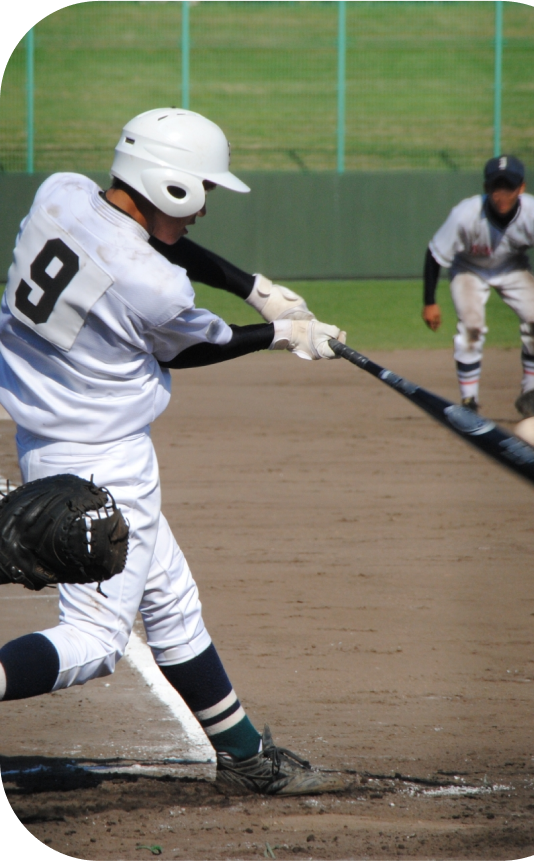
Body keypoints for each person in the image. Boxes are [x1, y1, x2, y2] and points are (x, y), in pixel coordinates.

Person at [0, 108, 347, 796]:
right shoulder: (152, 286)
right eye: (202, 191)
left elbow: (138, 236)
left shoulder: (61, 192)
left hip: (46, 438)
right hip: (102, 463)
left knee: (169, 600)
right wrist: (287, 335)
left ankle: (245, 754)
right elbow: (197, 345)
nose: (203, 209)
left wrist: (255, 289)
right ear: (171, 185)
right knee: (97, 638)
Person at [421, 155, 534, 417]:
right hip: (469, 268)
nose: (501, 194)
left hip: (513, 267)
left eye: (509, 187)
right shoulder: (465, 215)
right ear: (486, 188)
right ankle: (469, 402)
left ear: (522, 188)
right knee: (471, 328)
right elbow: (435, 255)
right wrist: (429, 302)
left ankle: (530, 394)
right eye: (496, 187)